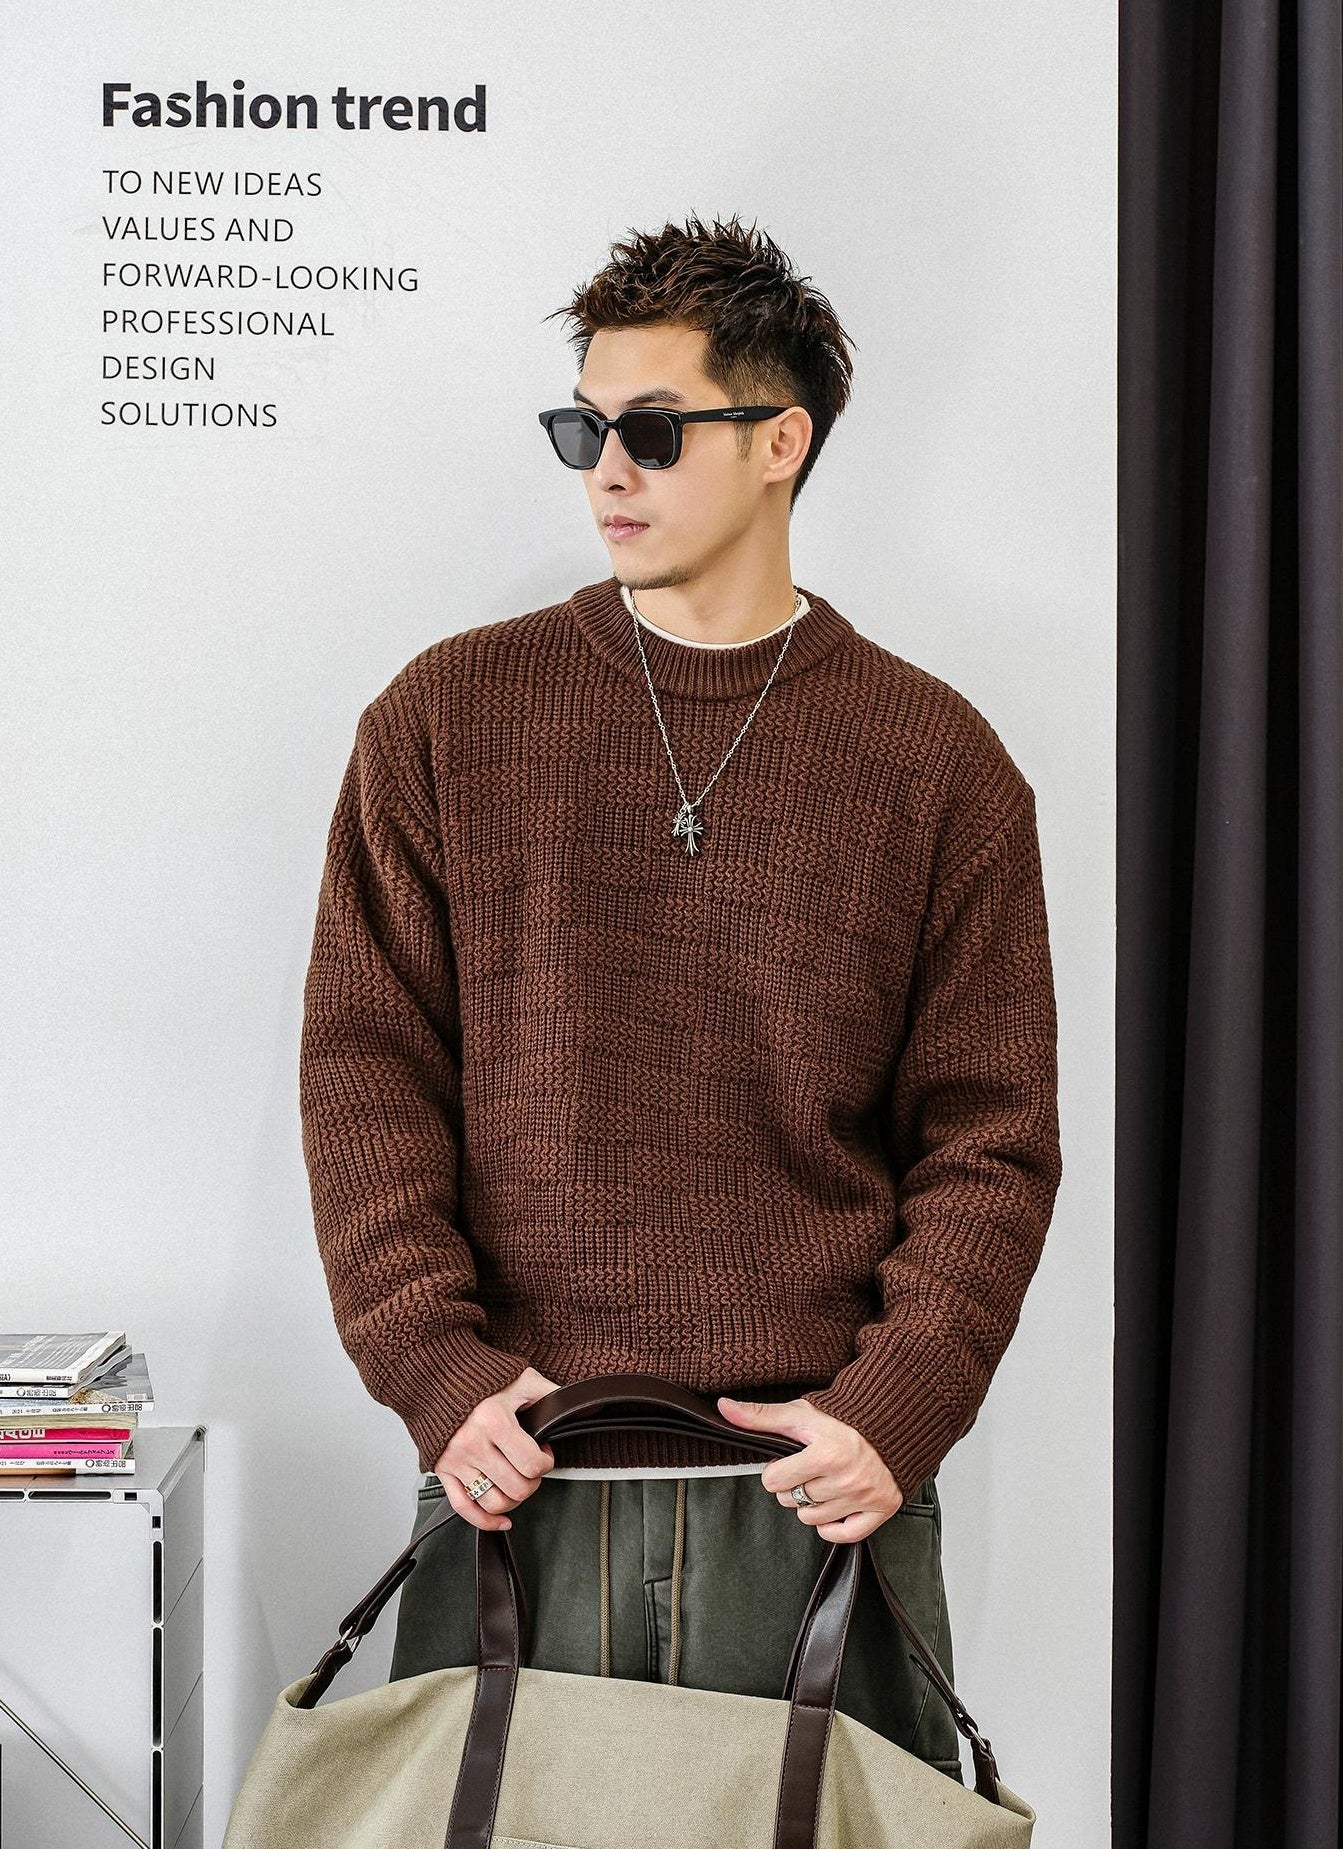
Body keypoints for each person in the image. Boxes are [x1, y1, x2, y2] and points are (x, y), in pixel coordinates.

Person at [298, 212, 1063, 1784]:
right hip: (522, 1474)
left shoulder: (937, 762)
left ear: (782, 442)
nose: (607, 471)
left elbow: (991, 1136)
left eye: (653, 430)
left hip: (811, 1491)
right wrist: (435, 1368)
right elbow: (365, 1074)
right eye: (583, 429)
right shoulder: (444, 720)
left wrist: (898, 1401)